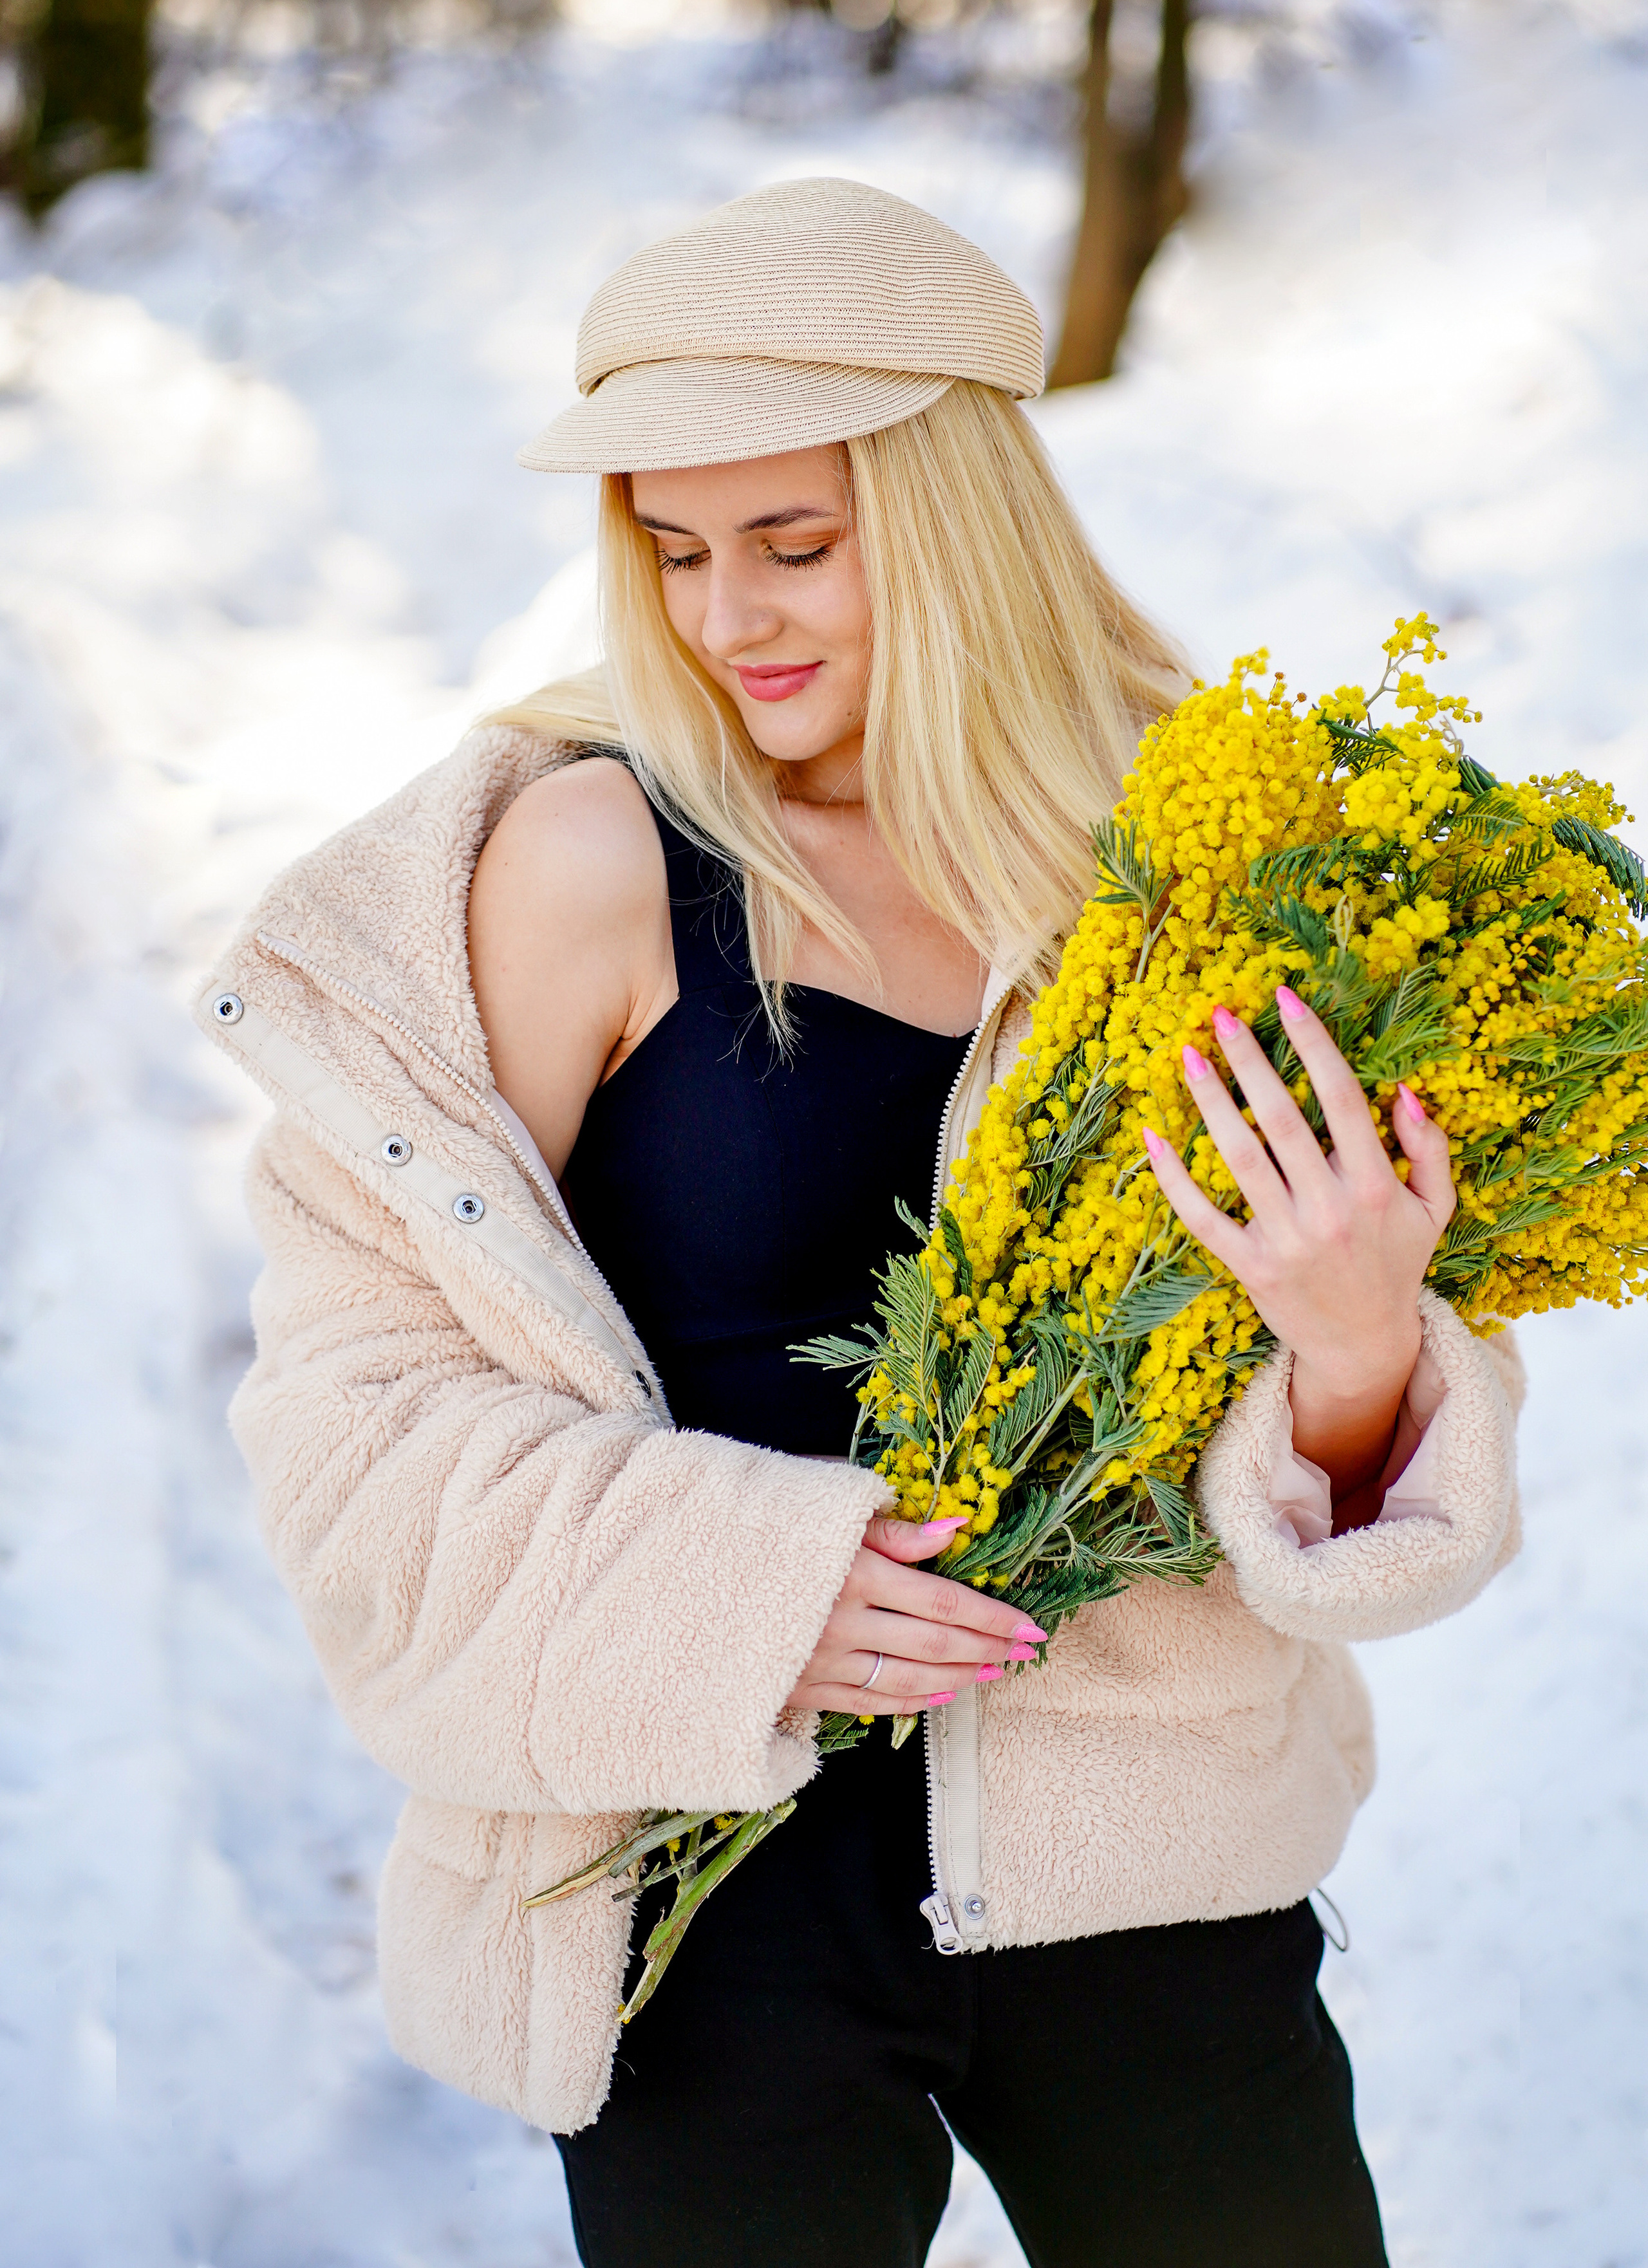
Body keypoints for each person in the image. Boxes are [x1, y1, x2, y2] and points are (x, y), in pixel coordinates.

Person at [198, 178, 1522, 2268]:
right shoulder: (586, 861)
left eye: (798, 544)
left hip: (1153, 1861)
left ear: (959, 517)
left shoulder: (1204, 858)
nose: (733, 619)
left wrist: (1359, 1347)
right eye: (679, 552)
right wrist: (743, 1596)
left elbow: (1358, 1470)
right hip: (704, 1883)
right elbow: (355, 1414)